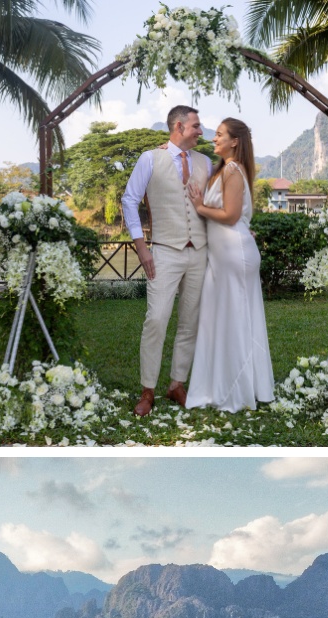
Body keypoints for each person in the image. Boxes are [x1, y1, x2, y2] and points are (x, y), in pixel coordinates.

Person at [121, 106, 212, 417]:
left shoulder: (205, 162)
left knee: (190, 321)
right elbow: (129, 200)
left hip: (199, 251)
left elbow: (212, 206)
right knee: (156, 319)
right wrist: (141, 247)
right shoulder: (150, 158)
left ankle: (176, 384)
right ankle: (148, 390)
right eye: (196, 126)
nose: (201, 131)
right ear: (179, 126)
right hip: (163, 250)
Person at [184, 118, 275, 413]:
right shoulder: (223, 169)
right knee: (220, 321)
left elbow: (232, 215)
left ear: (235, 141)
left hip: (235, 254)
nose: (214, 139)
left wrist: (200, 207)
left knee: (236, 320)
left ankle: (237, 390)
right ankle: (218, 386)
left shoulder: (233, 169)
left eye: (220, 135)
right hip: (221, 257)